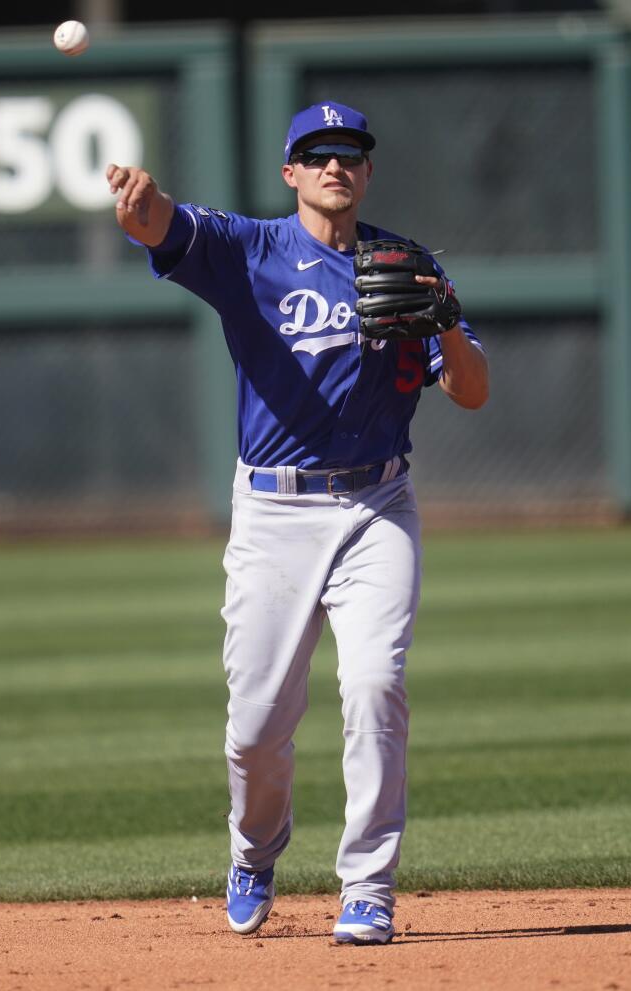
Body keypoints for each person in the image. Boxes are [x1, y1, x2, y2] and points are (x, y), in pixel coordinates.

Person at [106, 101, 488, 945]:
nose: (334, 165)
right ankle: (254, 848)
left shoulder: (407, 265)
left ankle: (369, 885)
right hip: (275, 510)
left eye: (349, 152)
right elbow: (167, 226)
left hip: (377, 506)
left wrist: (448, 320)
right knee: (256, 725)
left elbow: (471, 389)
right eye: (316, 154)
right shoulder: (251, 251)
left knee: (376, 685)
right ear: (291, 172)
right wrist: (141, 209)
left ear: (368, 170)